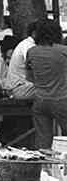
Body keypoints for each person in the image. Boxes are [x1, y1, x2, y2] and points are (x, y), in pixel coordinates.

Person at [25, 19, 67, 149]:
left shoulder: (32, 52)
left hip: (40, 101)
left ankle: (44, 162)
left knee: (43, 141)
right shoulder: (64, 51)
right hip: (62, 99)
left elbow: (29, 77)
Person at [3, 21, 36, 99]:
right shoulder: (28, 45)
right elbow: (36, 68)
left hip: (23, 87)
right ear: (34, 33)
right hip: (20, 88)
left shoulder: (30, 44)